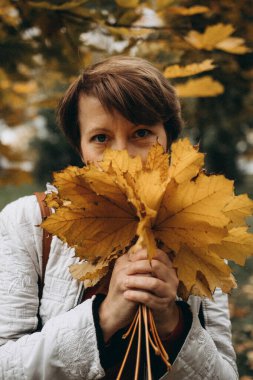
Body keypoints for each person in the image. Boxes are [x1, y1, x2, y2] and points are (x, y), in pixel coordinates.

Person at [0, 56, 238, 380]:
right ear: (81, 149)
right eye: (101, 138)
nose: (121, 154)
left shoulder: (199, 225)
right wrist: (105, 317)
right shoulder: (28, 221)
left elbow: (225, 374)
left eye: (141, 132)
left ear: (167, 141)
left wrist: (172, 322)